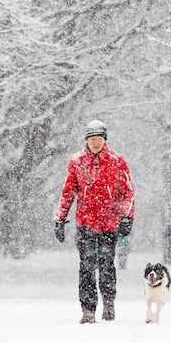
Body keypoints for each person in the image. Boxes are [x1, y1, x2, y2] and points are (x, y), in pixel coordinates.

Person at [54, 120, 135, 324]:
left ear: (105, 140)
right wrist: (60, 219)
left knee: (107, 264)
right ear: (86, 141)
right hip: (86, 223)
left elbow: (128, 192)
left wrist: (127, 216)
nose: (96, 142)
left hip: (109, 223)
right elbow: (68, 192)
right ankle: (88, 309)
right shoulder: (76, 162)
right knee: (87, 266)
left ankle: (108, 302)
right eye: (92, 139)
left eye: (99, 139)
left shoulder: (117, 161)